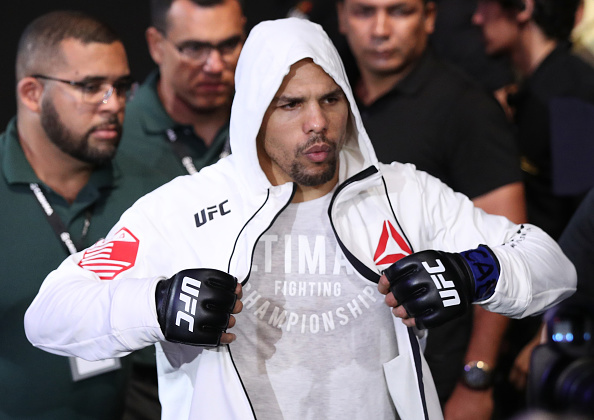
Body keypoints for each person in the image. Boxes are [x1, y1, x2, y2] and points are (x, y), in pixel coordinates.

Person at [24, 17, 575, 420]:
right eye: (291, 104)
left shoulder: (402, 192)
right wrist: (158, 304)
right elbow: (50, 313)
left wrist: (472, 271)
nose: (318, 123)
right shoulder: (184, 207)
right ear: (256, 111)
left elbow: (551, 266)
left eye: (330, 100)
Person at [336, 0, 526, 417]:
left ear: (429, 17)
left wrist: (476, 378)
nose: (381, 29)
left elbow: (509, 248)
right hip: (352, 372)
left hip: (436, 368)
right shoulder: (331, 100)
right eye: (365, 11)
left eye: (399, 11)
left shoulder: (466, 108)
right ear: (342, 18)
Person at [0, 10, 142, 420]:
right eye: (90, 87)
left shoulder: (146, 192)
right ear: (31, 93)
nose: (113, 104)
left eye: (121, 86)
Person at [116, 1, 246, 417]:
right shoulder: (113, 133)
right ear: (156, 45)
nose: (214, 65)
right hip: (145, 377)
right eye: (193, 48)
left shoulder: (273, 119)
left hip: (260, 362)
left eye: (229, 45)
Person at [471, 0, 594, 416]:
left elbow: (585, 228)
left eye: (485, 5)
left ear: (522, 8)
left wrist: (549, 333)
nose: (476, 17)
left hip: (555, 334)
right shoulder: (536, 88)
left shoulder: (569, 93)